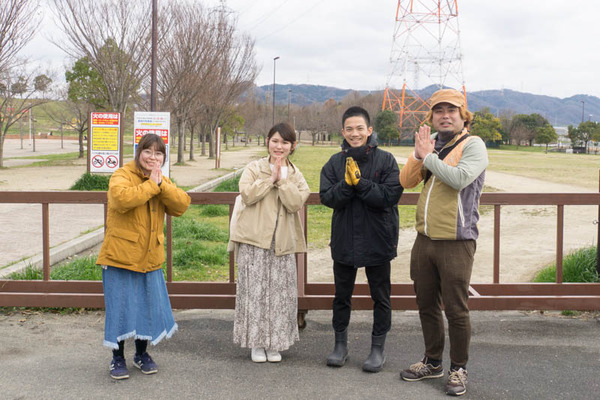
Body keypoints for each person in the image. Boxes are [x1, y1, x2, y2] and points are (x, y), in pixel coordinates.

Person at [398, 89, 488, 396]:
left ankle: (458, 368)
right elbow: (406, 182)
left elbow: (459, 178)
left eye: (452, 110)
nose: (445, 115)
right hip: (425, 238)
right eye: (439, 111)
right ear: (432, 117)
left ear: (464, 115)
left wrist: (429, 157)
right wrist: (417, 155)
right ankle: (432, 361)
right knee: (426, 304)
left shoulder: (473, 144)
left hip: (456, 240)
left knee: (456, 308)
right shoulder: (431, 144)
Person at [96, 134, 191, 380]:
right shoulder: (122, 174)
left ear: (164, 158)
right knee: (120, 309)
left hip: (149, 256)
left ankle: (141, 354)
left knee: (146, 307)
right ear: (138, 153)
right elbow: (121, 199)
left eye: (158, 153)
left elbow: (181, 205)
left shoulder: (161, 179)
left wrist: (161, 185)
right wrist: (151, 185)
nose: (152, 157)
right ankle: (117, 358)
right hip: (121, 256)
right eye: (147, 151)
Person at [320, 106, 403, 372]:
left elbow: (389, 196)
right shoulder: (334, 163)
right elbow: (327, 197)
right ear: (342, 132)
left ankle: (377, 349)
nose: (354, 134)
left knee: (381, 296)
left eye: (359, 128)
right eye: (349, 129)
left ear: (369, 130)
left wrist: (360, 183)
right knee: (341, 296)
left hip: (378, 238)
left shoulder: (386, 160)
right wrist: (346, 184)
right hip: (345, 238)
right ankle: (340, 346)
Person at [229, 122, 310, 363]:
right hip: (254, 241)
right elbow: (247, 194)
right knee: (255, 293)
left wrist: (282, 181)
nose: (279, 146)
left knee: (280, 295)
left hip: (282, 243)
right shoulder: (254, 168)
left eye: (285, 142)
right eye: (275, 141)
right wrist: (269, 180)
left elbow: (296, 203)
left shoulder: (296, 175)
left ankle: (275, 344)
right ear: (267, 141)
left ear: (292, 146)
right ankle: (256, 343)